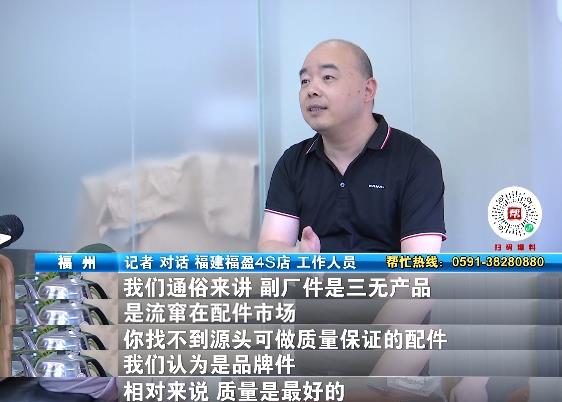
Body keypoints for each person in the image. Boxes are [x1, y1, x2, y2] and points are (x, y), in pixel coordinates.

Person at [258, 39, 486, 402]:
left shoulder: (415, 161)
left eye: (327, 77)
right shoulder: (292, 163)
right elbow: (269, 248)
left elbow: (419, 276)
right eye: (304, 81)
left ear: (368, 90)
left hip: (388, 335)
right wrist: (296, 257)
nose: (311, 89)